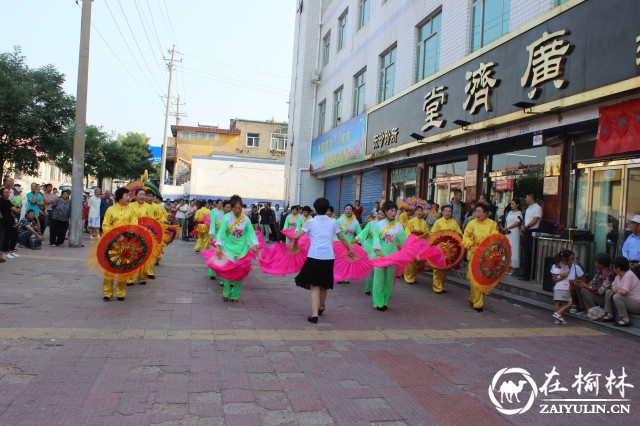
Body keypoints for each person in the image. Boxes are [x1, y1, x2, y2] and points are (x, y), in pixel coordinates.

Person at [293, 197, 353, 323]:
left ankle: (314, 314)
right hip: (328, 257)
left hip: (314, 256)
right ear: (327, 209)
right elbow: (341, 238)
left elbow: (297, 236)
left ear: (315, 209)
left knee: (314, 285)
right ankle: (321, 306)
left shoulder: (310, 222)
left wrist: (295, 245)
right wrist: (349, 250)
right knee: (324, 285)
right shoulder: (333, 222)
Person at [214, 195, 260, 302]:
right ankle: (226, 292)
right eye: (235, 208)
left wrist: (254, 247)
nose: (237, 210)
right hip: (228, 248)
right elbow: (221, 233)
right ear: (231, 207)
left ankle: (235, 294)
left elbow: (250, 234)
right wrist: (218, 246)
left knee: (240, 272)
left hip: (242, 249)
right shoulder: (227, 217)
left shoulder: (246, 219)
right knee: (227, 271)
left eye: (239, 208)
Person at [101, 187, 138, 301]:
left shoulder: (131, 210)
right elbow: (105, 225)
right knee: (109, 267)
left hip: (126, 243)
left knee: (123, 267)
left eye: (129, 195)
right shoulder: (110, 210)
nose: (129, 198)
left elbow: (134, 225)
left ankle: (121, 292)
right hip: (112, 242)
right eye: (126, 195)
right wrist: (116, 235)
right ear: (120, 197)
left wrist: (127, 235)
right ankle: (107, 292)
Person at [462, 203, 499, 312]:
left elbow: (494, 237)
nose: (477, 213)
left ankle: (473, 298)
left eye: (479, 211)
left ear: (486, 213)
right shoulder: (471, 223)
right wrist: (471, 246)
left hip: (487, 255)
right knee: (475, 278)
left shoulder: (492, 224)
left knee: (481, 278)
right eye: (476, 211)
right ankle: (478, 303)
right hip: (474, 253)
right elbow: (465, 236)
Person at [371, 201, 407, 311]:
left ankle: (384, 301)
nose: (393, 213)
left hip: (393, 256)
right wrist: (377, 251)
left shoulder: (399, 226)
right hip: (380, 255)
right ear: (386, 212)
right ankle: (378, 302)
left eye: (395, 211)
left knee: (389, 280)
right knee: (378, 280)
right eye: (391, 211)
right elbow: (376, 238)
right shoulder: (379, 224)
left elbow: (403, 241)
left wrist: (408, 251)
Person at [430, 205, 463, 294]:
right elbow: (432, 234)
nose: (448, 212)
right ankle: (437, 287)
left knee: (445, 267)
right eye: (446, 211)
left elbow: (459, 234)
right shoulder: (438, 222)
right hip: (439, 248)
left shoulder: (454, 223)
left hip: (450, 250)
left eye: (449, 211)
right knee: (438, 267)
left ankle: (441, 285)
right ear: (443, 212)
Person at [602, 256, 640, 327]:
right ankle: (609, 314)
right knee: (608, 292)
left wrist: (616, 290)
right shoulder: (618, 275)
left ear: (618, 268)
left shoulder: (629, 275)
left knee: (617, 296)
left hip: (637, 305)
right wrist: (614, 289)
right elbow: (613, 285)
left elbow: (624, 292)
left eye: (614, 266)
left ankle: (625, 319)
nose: (613, 268)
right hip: (629, 301)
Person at [550, 249, 584, 325]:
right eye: (570, 259)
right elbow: (554, 279)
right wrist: (564, 276)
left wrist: (574, 283)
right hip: (562, 288)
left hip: (564, 288)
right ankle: (558, 314)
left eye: (573, 259)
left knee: (558, 302)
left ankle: (558, 317)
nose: (572, 261)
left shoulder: (574, 267)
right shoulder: (558, 267)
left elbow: (582, 280)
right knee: (568, 303)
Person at [518, 193, 542, 281]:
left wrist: (526, 227)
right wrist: (522, 228)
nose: (525, 199)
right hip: (526, 231)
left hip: (532, 231)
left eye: (526, 197)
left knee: (531, 253)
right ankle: (525, 273)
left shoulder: (537, 208)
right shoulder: (528, 208)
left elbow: (534, 220)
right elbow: (525, 220)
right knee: (526, 253)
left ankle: (530, 274)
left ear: (531, 198)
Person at [403, 205, 428, 285]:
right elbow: (407, 231)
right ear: (415, 212)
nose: (419, 212)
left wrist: (425, 235)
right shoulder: (411, 221)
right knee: (410, 260)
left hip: (420, 243)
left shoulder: (424, 222)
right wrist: (412, 238)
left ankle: (413, 277)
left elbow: (427, 232)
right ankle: (408, 277)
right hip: (412, 242)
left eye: (421, 211)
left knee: (417, 260)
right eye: (417, 211)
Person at [503, 199, 523, 275]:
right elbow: (506, 221)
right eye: (511, 204)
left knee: (513, 248)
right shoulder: (510, 212)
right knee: (507, 247)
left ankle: (513, 267)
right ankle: (507, 266)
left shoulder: (519, 213)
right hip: (507, 232)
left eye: (513, 204)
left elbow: (517, 223)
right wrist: (505, 228)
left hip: (514, 232)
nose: (511, 205)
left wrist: (508, 228)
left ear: (517, 205)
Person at [1, 187, 20, 259]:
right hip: (6, 221)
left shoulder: (8, 201)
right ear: (2, 194)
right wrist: (19, 208)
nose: (8, 193)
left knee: (15, 235)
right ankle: (5, 251)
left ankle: (11, 250)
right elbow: (16, 210)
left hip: (11, 220)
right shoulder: (3, 201)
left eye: (8, 192)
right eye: (6, 192)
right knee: (7, 236)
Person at [621, 215, 640, 279]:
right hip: (629, 265)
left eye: (633, 224)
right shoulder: (630, 237)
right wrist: (628, 262)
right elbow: (624, 250)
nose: (631, 226)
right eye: (631, 224)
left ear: (639, 226)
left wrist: (638, 264)